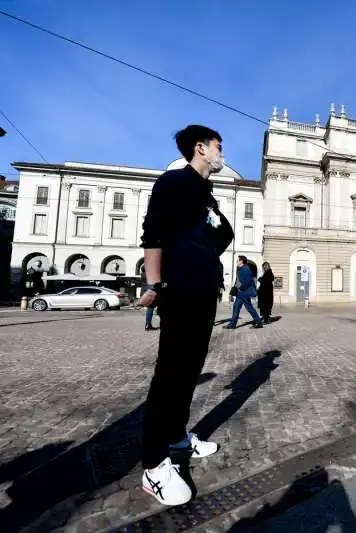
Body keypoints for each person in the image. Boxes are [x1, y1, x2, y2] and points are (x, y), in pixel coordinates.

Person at [138, 125, 234, 506]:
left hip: (203, 291)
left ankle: (177, 437)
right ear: (201, 149)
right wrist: (155, 284)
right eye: (218, 146)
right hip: (178, 291)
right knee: (171, 373)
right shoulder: (173, 182)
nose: (221, 152)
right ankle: (154, 464)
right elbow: (153, 236)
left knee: (191, 369)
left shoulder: (207, 195)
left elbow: (220, 234)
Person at [224, 256, 263, 329]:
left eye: (238, 260)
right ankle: (232, 324)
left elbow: (248, 281)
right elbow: (238, 280)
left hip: (244, 292)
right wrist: (235, 289)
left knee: (249, 307)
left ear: (241, 261)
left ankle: (258, 322)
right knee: (236, 307)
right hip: (240, 293)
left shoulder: (246, 269)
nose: (236, 262)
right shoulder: (240, 268)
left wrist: (241, 288)